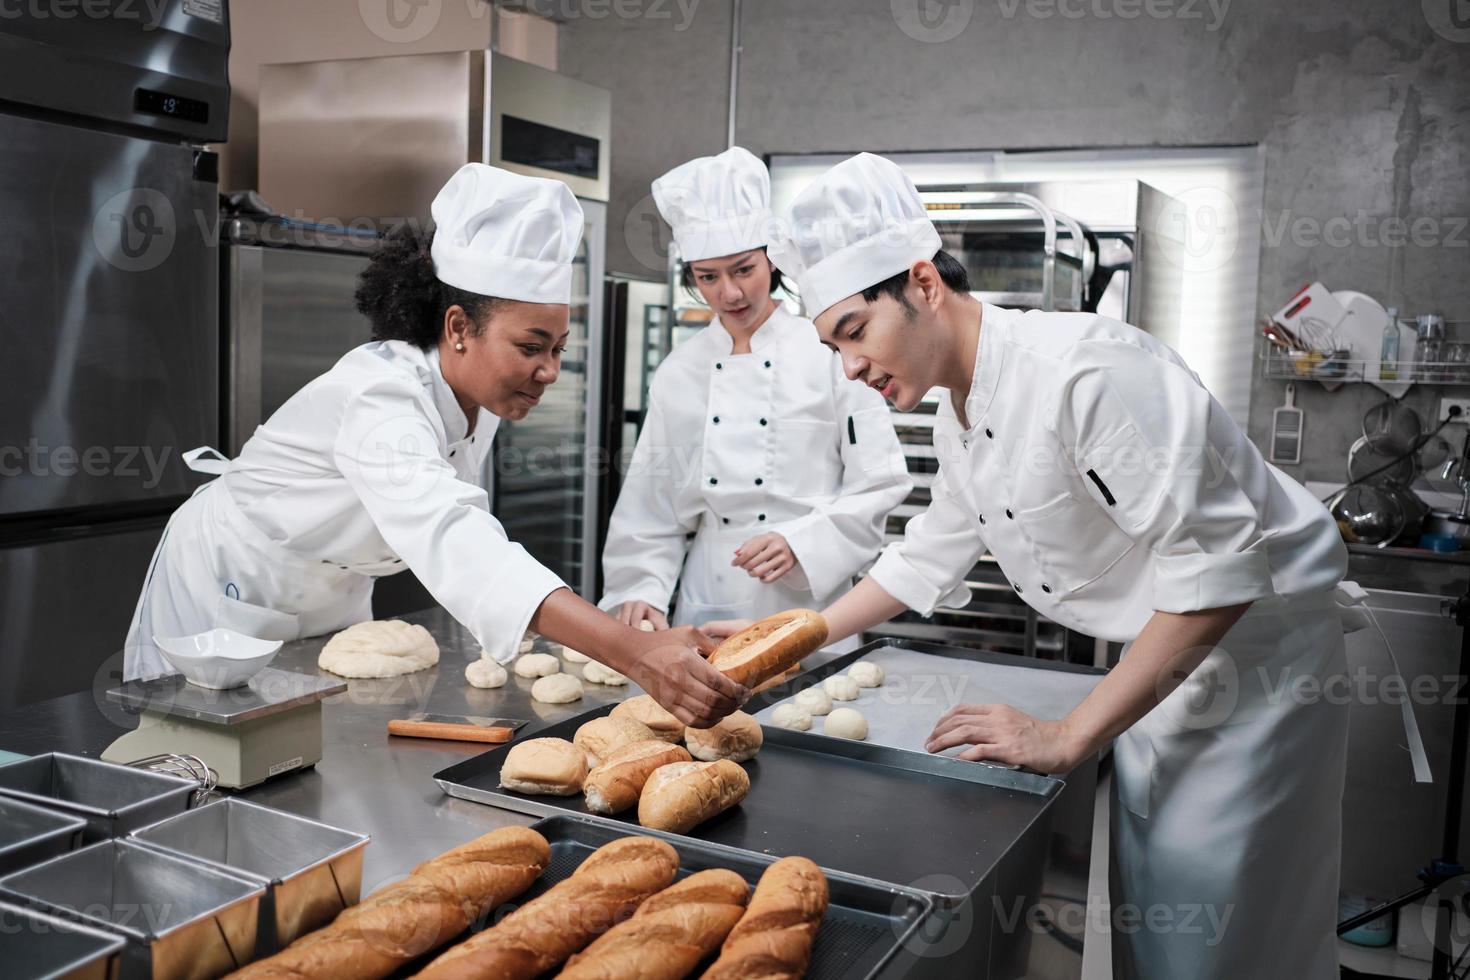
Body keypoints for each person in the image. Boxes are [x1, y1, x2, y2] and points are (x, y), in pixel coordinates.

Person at [712, 153, 1351, 978]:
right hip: (1165, 666)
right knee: (1161, 920)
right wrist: (790, 636)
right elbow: (926, 557)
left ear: (923, 283)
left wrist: (1067, 734)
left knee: (1228, 932)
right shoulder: (963, 411)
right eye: (833, 346)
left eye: (855, 333)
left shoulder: (1086, 373)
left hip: (1259, 670)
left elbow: (1219, 568)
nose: (852, 369)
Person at [123, 163, 745, 727]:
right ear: (457, 328)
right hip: (232, 585)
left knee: (323, 747)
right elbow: (452, 534)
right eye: (531, 348)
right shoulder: (382, 398)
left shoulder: (481, 393)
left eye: (558, 349)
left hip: (331, 588)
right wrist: (631, 650)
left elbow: (465, 532)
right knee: (200, 758)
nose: (550, 371)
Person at [600, 147, 910, 649]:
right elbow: (650, 507)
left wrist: (803, 543)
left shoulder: (830, 350)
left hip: (812, 601)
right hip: (708, 598)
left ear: (772, 258)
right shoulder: (680, 372)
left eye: (743, 269)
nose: (729, 293)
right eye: (708, 277)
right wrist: (640, 591)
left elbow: (880, 482)